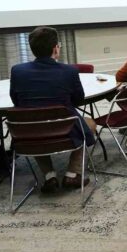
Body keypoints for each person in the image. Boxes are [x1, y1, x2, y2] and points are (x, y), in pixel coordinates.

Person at [10, 27, 96, 192]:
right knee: (90, 125)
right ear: (55, 48)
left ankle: (49, 176)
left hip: (29, 133)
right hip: (65, 130)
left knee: (33, 127)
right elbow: (78, 100)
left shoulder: (17, 71)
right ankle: (72, 174)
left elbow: (16, 101)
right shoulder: (69, 71)